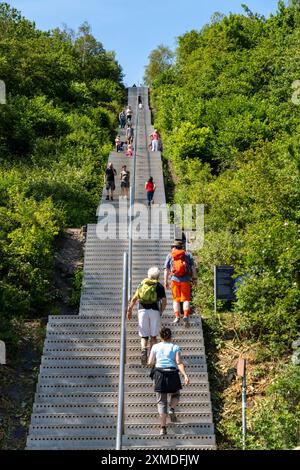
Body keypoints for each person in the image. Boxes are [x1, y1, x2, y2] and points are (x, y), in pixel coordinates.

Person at [148, 326, 190, 436]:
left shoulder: (155, 346)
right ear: (170, 336)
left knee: (161, 402)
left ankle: (163, 428)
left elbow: (150, 362)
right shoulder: (175, 347)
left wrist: (153, 364)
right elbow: (179, 362)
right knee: (176, 394)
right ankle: (171, 408)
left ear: (160, 336)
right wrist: (185, 375)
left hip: (159, 375)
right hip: (172, 373)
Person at [127, 267, 167, 366]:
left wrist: (129, 310)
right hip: (154, 311)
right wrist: (161, 311)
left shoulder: (142, 284)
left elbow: (134, 298)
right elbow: (164, 302)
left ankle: (143, 350)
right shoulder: (159, 286)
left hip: (142, 311)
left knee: (144, 335)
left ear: (148, 275)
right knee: (153, 336)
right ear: (158, 276)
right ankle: (151, 357)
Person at [164, 240, 197, 326]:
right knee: (186, 299)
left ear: (173, 247)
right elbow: (193, 268)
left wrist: (165, 281)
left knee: (176, 300)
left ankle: (177, 317)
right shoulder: (188, 255)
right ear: (182, 247)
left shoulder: (170, 255)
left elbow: (166, 269)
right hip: (186, 280)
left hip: (174, 280)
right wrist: (194, 278)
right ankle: (185, 315)